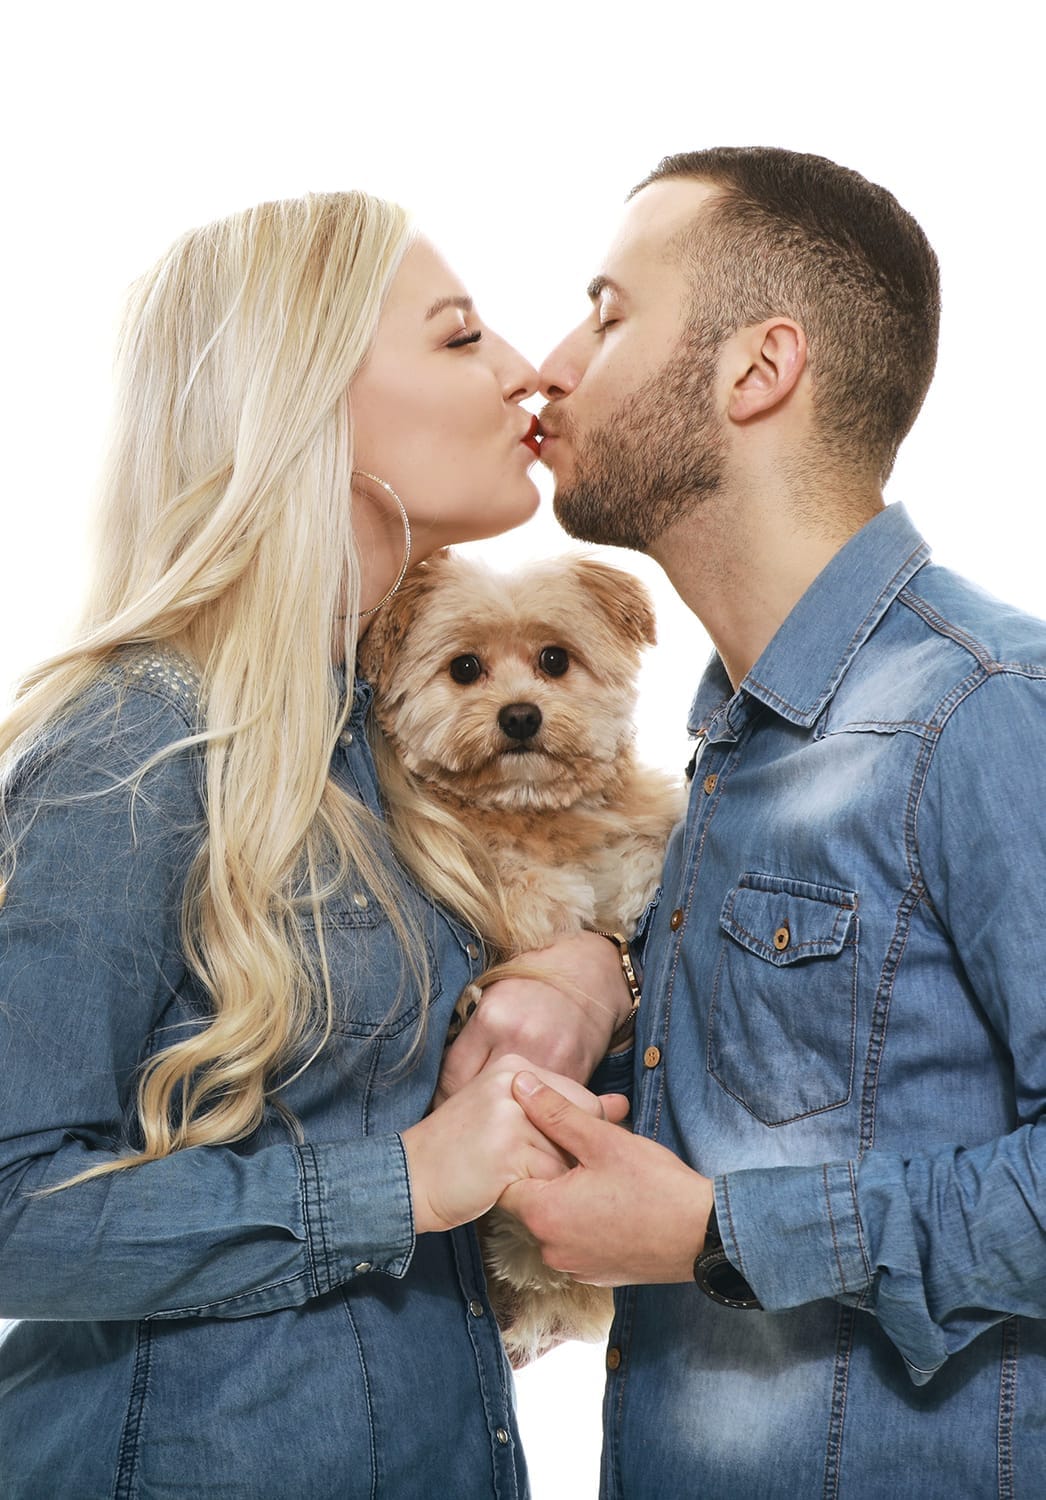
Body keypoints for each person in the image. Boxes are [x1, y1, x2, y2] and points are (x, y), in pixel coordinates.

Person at [0, 191, 633, 1499]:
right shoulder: (139, 745)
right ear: (311, 407)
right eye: (460, 339)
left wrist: (587, 970)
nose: (525, 369)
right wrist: (404, 1180)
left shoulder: (383, 746)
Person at [495, 148, 1046, 1496]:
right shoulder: (724, 736)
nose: (546, 365)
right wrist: (602, 971)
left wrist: (714, 1232)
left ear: (758, 372)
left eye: (608, 312)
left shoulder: (984, 710)